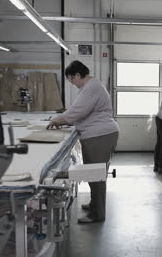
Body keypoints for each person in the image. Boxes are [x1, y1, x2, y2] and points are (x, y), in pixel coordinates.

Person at [46, 60, 119, 224]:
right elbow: (77, 110)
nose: (72, 83)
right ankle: (95, 205)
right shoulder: (91, 86)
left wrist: (58, 120)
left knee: (96, 176)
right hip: (100, 134)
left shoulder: (91, 88)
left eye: (72, 79)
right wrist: (63, 118)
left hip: (99, 135)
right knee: (94, 173)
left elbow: (77, 111)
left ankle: (97, 214)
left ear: (78, 75)